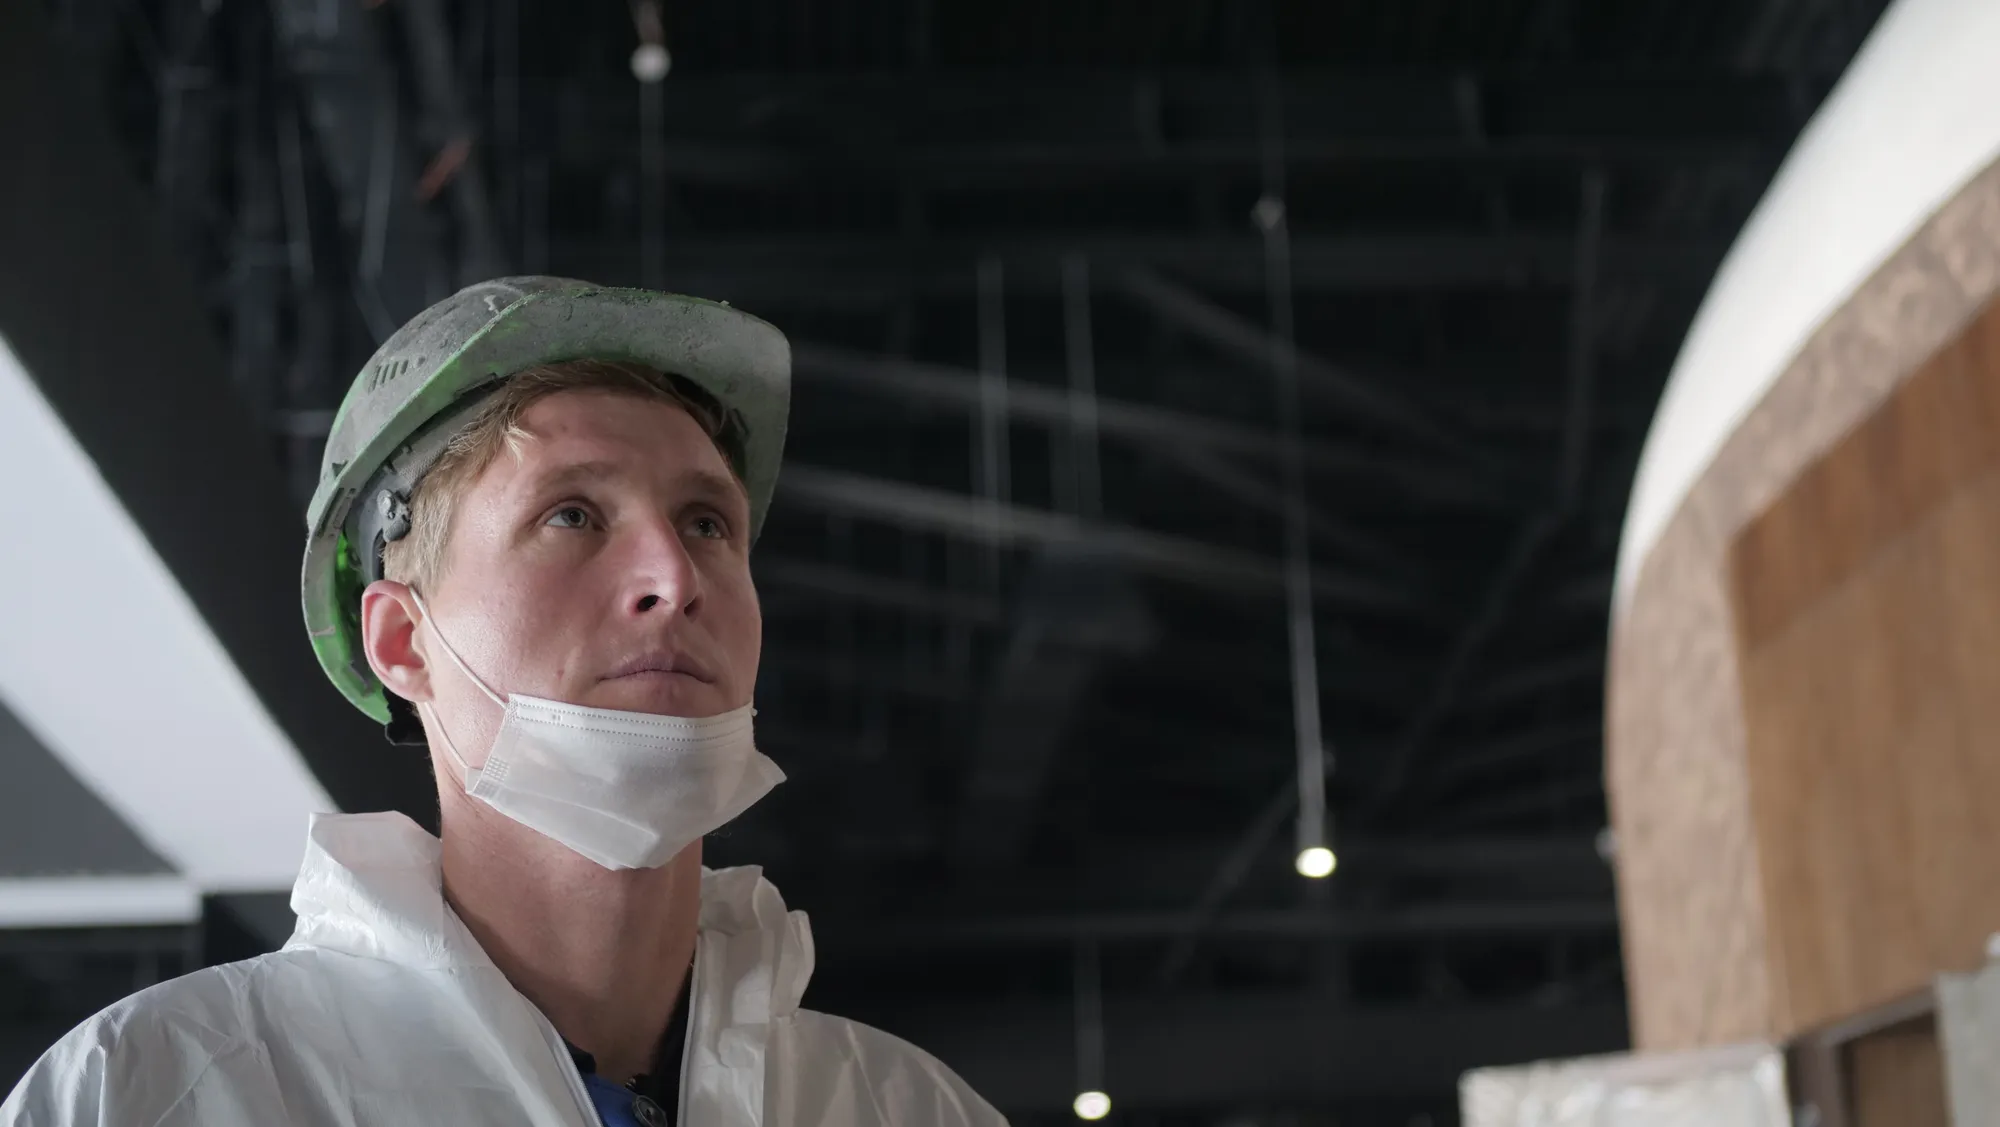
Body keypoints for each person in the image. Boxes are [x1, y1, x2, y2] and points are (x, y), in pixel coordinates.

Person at [1, 277, 1007, 1127]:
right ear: (403, 642)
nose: (673, 576)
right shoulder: (160, 1091)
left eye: (707, 522)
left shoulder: (904, 1106)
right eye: (572, 514)